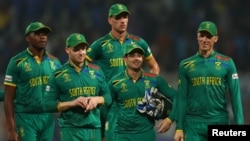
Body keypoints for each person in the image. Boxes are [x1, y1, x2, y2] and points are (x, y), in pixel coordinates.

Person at [86, 3, 160, 140]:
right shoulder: (100, 45)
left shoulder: (139, 42)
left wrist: (150, 91)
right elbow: (82, 67)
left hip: (133, 103)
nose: (122, 20)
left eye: (125, 17)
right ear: (110, 20)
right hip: (109, 104)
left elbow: (154, 66)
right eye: (118, 17)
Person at [174, 21, 244, 141]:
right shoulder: (185, 65)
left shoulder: (227, 63)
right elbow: (182, 97)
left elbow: (235, 96)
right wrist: (179, 127)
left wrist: (240, 128)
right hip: (193, 124)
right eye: (202, 35)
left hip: (219, 121)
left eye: (209, 36)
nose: (204, 40)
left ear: (215, 39)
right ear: (197, 36)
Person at [41, 33, 112, 141]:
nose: (81, 53)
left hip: (94, 129)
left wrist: (97, 99)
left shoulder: (97, 71)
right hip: (71, 130)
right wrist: (73, 103)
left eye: (83, 49)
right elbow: (46, 105)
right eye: (76, 49)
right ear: (67, 50)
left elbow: (108, 97)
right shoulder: (57, 75)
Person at [4, 22, 62, 141]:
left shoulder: (55, 62)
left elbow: (61, 91)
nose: (42, 37)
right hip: (26, 117)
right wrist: (11, 130)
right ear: (28, 38)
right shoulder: (16, 62)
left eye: (45, 34)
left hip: (47, 118)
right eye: (37, 34)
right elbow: (8, 98)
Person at [108, 44, 176, 141]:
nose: (136, 58)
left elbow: (177, 97)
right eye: (132, 55)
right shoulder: (114, 83)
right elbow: (105, 107)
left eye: (139, 55)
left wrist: (170, 119)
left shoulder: (154, 79)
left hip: (146, 135)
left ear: (143, 58)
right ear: (125, 58)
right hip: (122, 135)